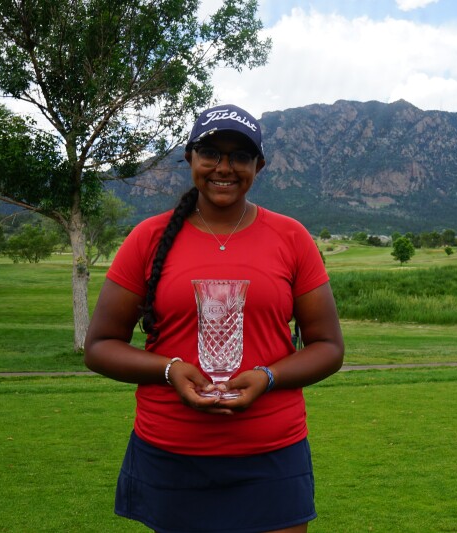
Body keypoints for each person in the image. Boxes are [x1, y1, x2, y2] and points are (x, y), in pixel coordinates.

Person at [84, 104, 344, 533]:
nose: (224, 167)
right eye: (211, 153)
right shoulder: (147, 237)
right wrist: (170, 369)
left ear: (258, 165)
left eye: (240, 156)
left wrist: (266, 376)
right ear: (189, 159)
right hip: (172, 450)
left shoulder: (291, 237)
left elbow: (329, 347)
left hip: (270, 451)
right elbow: (99, 347)